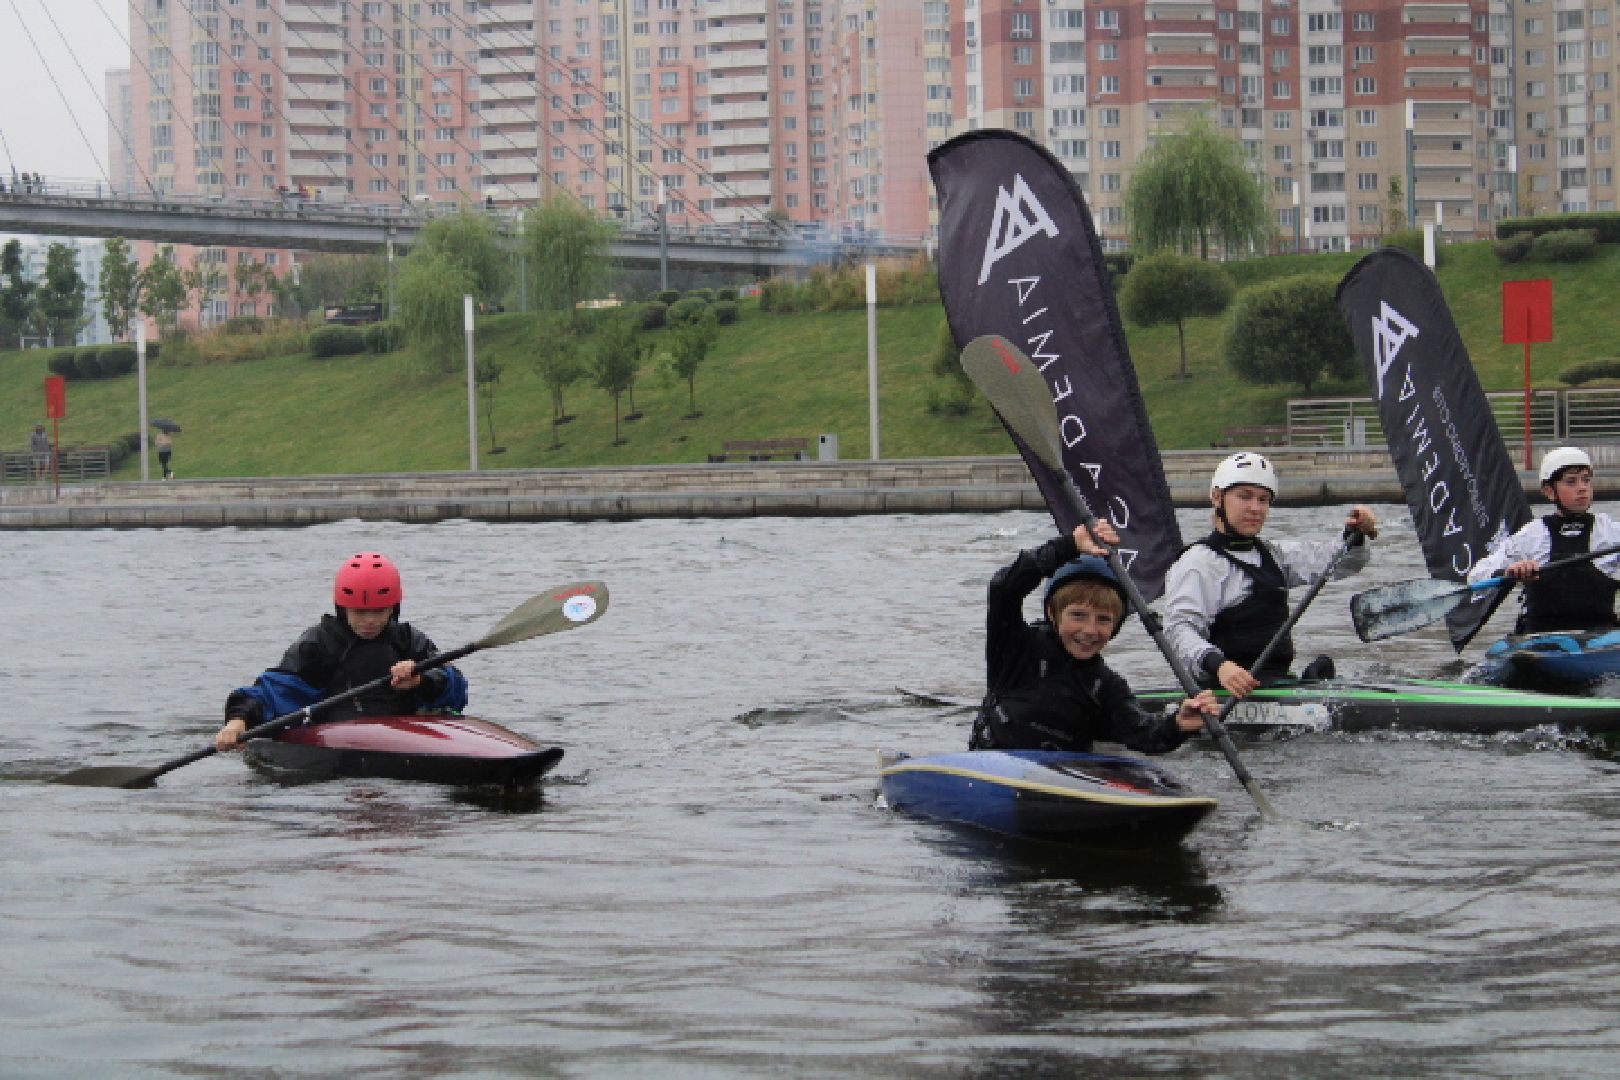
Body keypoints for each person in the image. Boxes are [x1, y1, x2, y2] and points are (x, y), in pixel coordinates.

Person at [970, 522, 1218, 753]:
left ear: (1116, 626)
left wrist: (1178, 725)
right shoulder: (1015, 647)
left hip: (1060, 778)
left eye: (1103, 619)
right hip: (994, 764)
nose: (1090, 630)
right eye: (1078, 615)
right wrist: (1069, 546)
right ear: (1052, 613)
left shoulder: (1106, 687)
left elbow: (1146, 735)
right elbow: (1004, 588)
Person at [1163, 452, 1379, 698]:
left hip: (1273, 684)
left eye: (1263, 499)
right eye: (1244, 496)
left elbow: (1338, 563)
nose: (1255, 508)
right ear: (1217, 497)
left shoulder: (1273, 554)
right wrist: (1220, 666)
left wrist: (1354, 534)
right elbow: (1179, 630)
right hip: (1221, 692)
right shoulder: (1196, 563)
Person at [216, 553, 469, 751]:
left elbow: (455, 687)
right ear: (342, 608)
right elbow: (275, 692)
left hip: (404, 736)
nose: (370, 621)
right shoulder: (320, 643)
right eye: (359, 612)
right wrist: (239, 720)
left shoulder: (408, 640)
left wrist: (420, 680)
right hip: (337, 738)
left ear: (394, 608)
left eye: (379, 611)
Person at [1466, 446, 1620, 634]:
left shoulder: (1610, 531)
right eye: (1571, 482)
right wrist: (1510, 571)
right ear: (1549, 491)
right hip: (1541, 638)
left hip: (1600, 637)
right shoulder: (1533, 535)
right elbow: (1476, 576)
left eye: (1586, 480)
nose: (1582, 488)